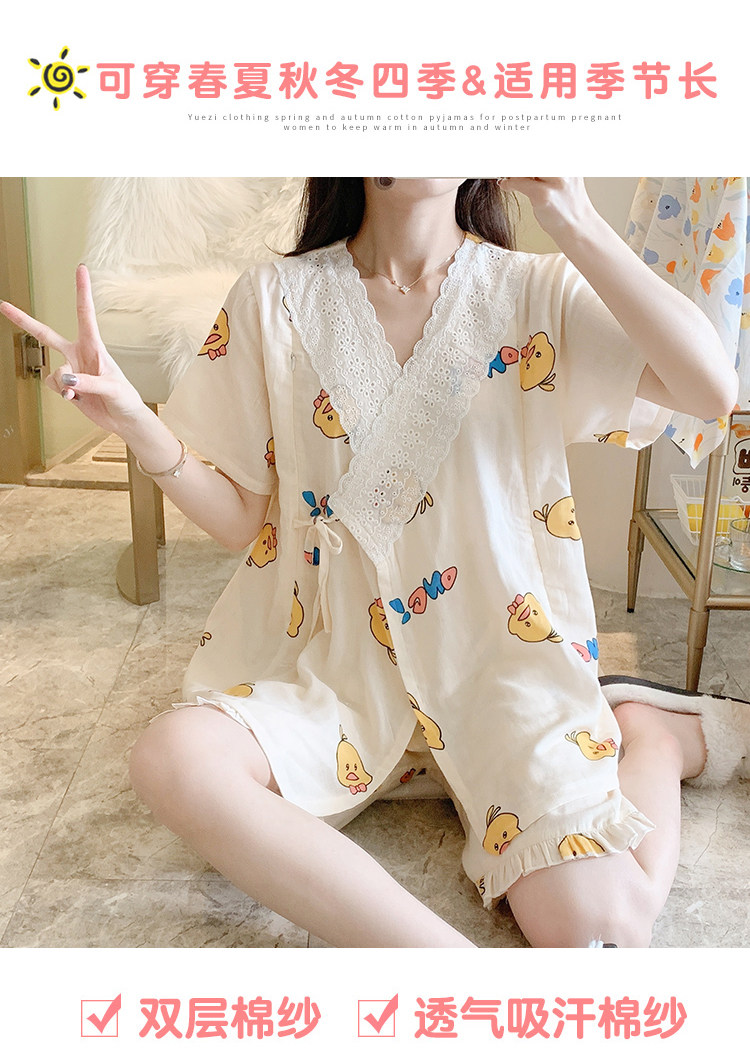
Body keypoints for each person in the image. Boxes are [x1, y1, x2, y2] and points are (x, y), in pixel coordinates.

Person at [2, 177, 745, 949]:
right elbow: (242, 520)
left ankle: (653, 734)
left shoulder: (540, 290)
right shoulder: (274, 298)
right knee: (174, 760)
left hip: (502, 673)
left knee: (603, 927)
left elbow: (708, 390)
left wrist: (573, 215)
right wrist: (137, 424)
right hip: (333, 679)